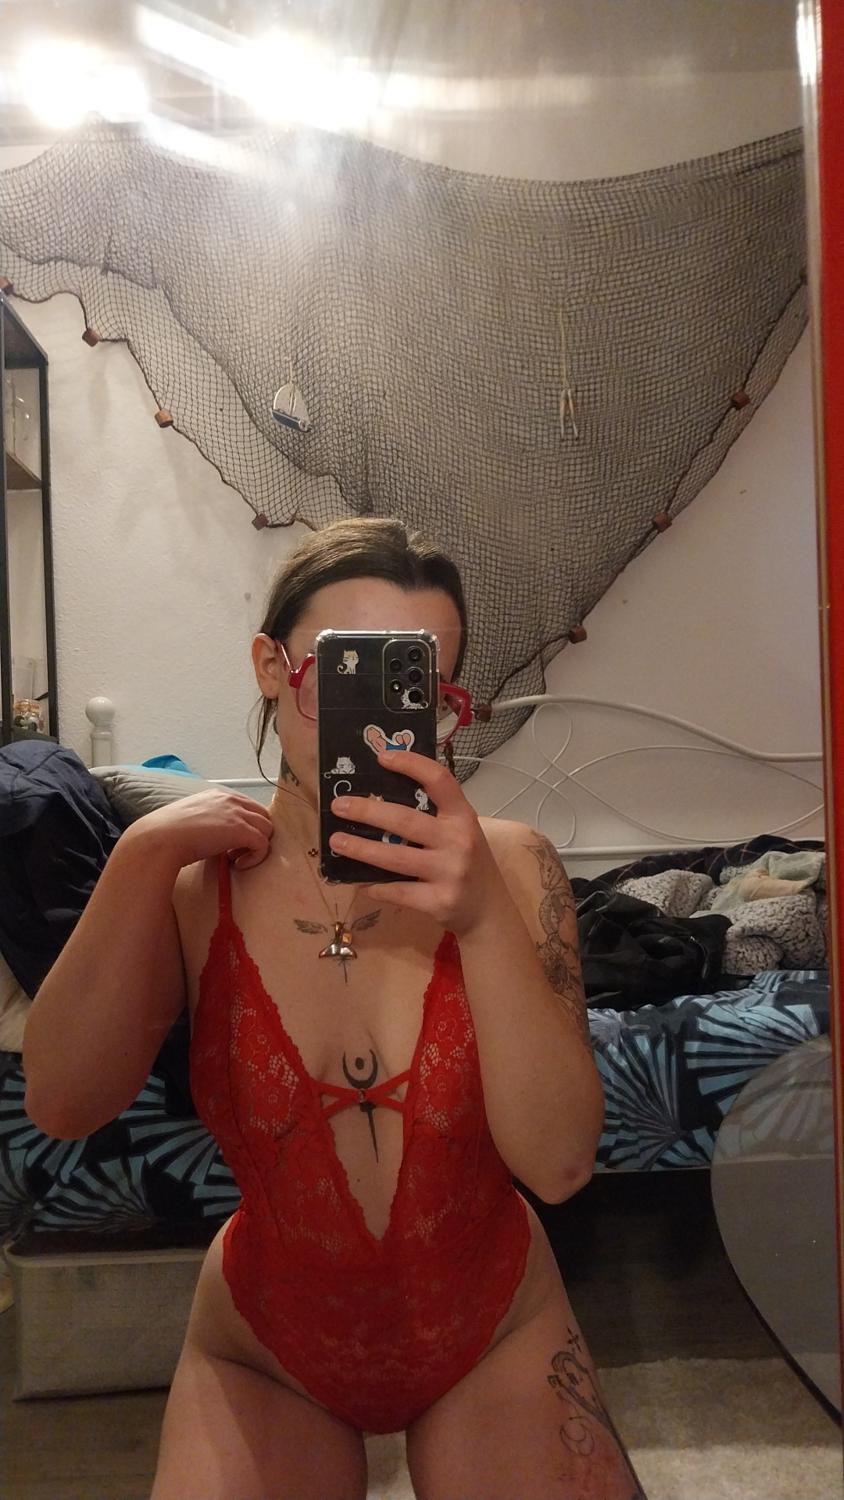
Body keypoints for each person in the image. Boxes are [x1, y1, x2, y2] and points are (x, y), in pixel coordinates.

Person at [23, 518, 646, 1500]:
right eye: (342, 674)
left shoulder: (513, 865)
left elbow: (560, 1164)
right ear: (271, 668)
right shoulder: (194, 891)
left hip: (493, 1327)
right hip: (265, 1352)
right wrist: (139, 856)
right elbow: (62, 1104)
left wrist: (484, 919)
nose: (380, 723)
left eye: (414, 687)